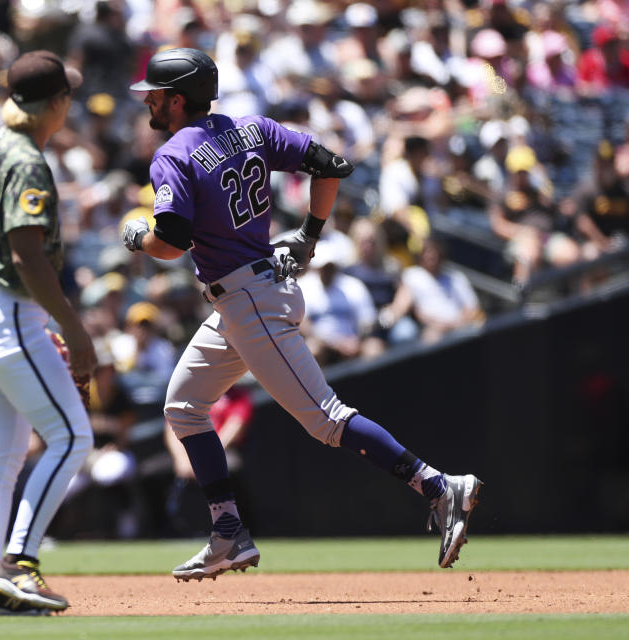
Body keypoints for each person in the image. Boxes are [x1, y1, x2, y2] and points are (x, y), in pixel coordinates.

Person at [122, 48, 482, 581]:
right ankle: (228, 532)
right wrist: (309, 237)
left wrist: (137, 238)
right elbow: (333, 165)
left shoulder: (173, 154)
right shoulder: (252, 128)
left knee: (326, 420)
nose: (148, 100)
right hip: (252, 292)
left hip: (249, 300)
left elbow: (171, 243)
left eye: (155, 93)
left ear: (177, 100)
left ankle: (437, 485)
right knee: (183, 406)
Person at [0, 50, 96, 617]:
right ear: (54, 104)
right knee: (72, 438)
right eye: (68, 97)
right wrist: (72, 328)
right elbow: (27, 253)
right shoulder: (27, 160)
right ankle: (20, 564)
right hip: (8, 311)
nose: (70, 105)